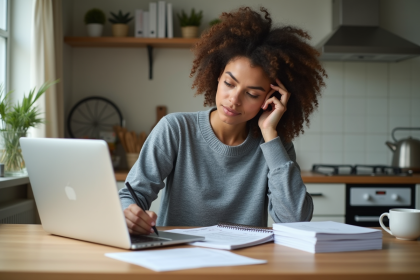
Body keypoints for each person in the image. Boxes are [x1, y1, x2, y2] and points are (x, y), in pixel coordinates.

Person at [119, 7, 327, 235]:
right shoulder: (176, 129)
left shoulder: (275, 146)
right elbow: (132, 195)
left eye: (252, 94)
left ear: (271, 98)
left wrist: (269, 133)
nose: (234, 100)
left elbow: (295, 222)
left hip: (248, 263)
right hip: (180, 258)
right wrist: (129, 214)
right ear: (218, 77)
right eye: (229, 83)